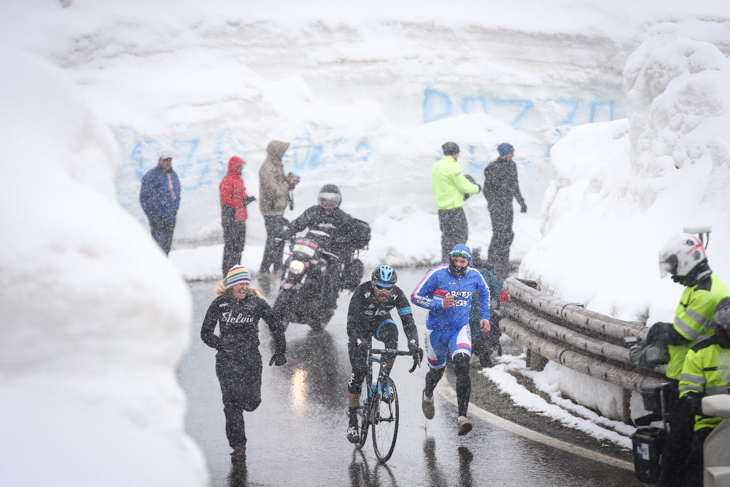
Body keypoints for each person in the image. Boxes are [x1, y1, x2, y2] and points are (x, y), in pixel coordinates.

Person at [632, 233, 729, 487]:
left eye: (673, 266)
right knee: (683, 448)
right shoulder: (696, 287)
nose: (672, 273)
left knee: (680, 450)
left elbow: (681, 333)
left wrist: (656, 330)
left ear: (686, 261)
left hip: (698, 383)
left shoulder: (706, 293)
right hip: (687, 375)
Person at [200, 265, 287, 463]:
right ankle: (238, 447)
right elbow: (205, 333)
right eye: (240, 283)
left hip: (250, 360)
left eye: (247, 283)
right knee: (231, 405)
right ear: (231, 285)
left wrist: (280, 351)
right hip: (226, 361)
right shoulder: (220, 304)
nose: (244, 287)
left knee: (251, 402)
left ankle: (244, 407)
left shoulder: (256, 303)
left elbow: (276, 325)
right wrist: (220, 344)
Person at [411, 243, 491, 436]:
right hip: (436, 331)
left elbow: (484, 292)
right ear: (450, 259)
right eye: (455, 260)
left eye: (462, 261)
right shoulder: (437, 273)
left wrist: (485, 316)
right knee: (436, 372)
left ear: (468, 262)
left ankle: (462, 417)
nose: (458, 264)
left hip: (459, 329)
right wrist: (439, 303)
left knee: (462, 366)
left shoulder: (474, 275)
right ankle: (428, 394)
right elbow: (415, 296)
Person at [345, 265, 423, 444]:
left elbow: (409, 323)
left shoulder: (397, 295)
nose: (384, 292)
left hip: (380, 323)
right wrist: (358, 341)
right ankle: (352, 421)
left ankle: (383, 379)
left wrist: (413, 345)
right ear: (373, 284)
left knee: (392, 334)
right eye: (380, 287)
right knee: (359, 372)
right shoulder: (361, 292)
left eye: (388, 288)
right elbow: (351, 324)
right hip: (360, 328)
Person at [279, 184, 363, 317]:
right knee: (292, 259)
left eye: (332, 200)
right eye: (325, 199)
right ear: (319, 199)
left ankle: (327, 306)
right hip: (311, 247)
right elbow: (298, 223)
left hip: (330, 251)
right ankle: (286, 282)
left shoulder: (343, 217)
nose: (328, 203)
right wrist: (287, 232)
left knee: (333, 270)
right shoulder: (313, 211)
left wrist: (350, 239)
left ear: (338, 201)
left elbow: (354, 232)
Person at [677, 297, 730, 487]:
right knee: (697, 463)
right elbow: (688, 391)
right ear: (721, 327)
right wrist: (698, 404)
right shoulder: (700, 353)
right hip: (712, 424)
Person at [258, 140, 300, 291]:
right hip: (271, 210)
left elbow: (279, 185)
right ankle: (264, 269)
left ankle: (277, 267)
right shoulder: (268, 167)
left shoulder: (276, 164)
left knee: (278, 238)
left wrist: (289, 182)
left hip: (277, 209)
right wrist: (287, 183)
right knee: (273, 239)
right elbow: (273, 190)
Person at [482, 143, 527, 280]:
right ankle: (492, 263)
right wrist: (494, 203)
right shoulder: (492, 168)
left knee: (507, 233)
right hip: (497, 206)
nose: (513, 155)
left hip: (507, 205)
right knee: (498, 233)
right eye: (510, 152)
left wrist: (521, 201)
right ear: (504, 153)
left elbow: (515, 185)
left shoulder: (512, 166)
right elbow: (486, 189)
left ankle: (503, 263)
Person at [431, 142, 480, 263]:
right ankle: (456, 263)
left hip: (442, 210)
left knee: (447, 238)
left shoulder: (436, 167)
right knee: (461, 237)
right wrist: (476, 188)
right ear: (456, 153)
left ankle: (446, 263)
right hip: (454, 209)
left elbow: (434, 187)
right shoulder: (453, 166)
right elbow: (463, 185)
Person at [468, 250, 509, 367]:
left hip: (463, 329)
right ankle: (485, 359)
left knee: (459, 364)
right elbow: (502, 296)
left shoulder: (455, 277)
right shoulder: (487, 275)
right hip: (484, 328)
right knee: (485, 359)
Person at [220, 156, 256, 277]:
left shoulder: (239, 180)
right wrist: (242, 202)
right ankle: (227, 274)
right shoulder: (227, 181)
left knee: (239, 247)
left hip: (240, 219)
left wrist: (247, 199)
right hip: (231, 219)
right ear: (235, 167)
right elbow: (226, 200)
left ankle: (236, 271)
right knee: (230, 248)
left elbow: (242, 195)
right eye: (240, 166)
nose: (241, 168)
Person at [139, 151, 181, 255]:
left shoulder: (173, 174)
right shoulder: (151, 176)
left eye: (169, 160)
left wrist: (174, 209)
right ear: (159, 160)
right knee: (158, 245)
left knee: (167, 245)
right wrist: (152, 215)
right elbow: (144, 197)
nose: (168, 162)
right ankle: (156, 268)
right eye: (165, 160)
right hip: (157, 216)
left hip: (170, 216)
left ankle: (164, 266)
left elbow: (177, 193)